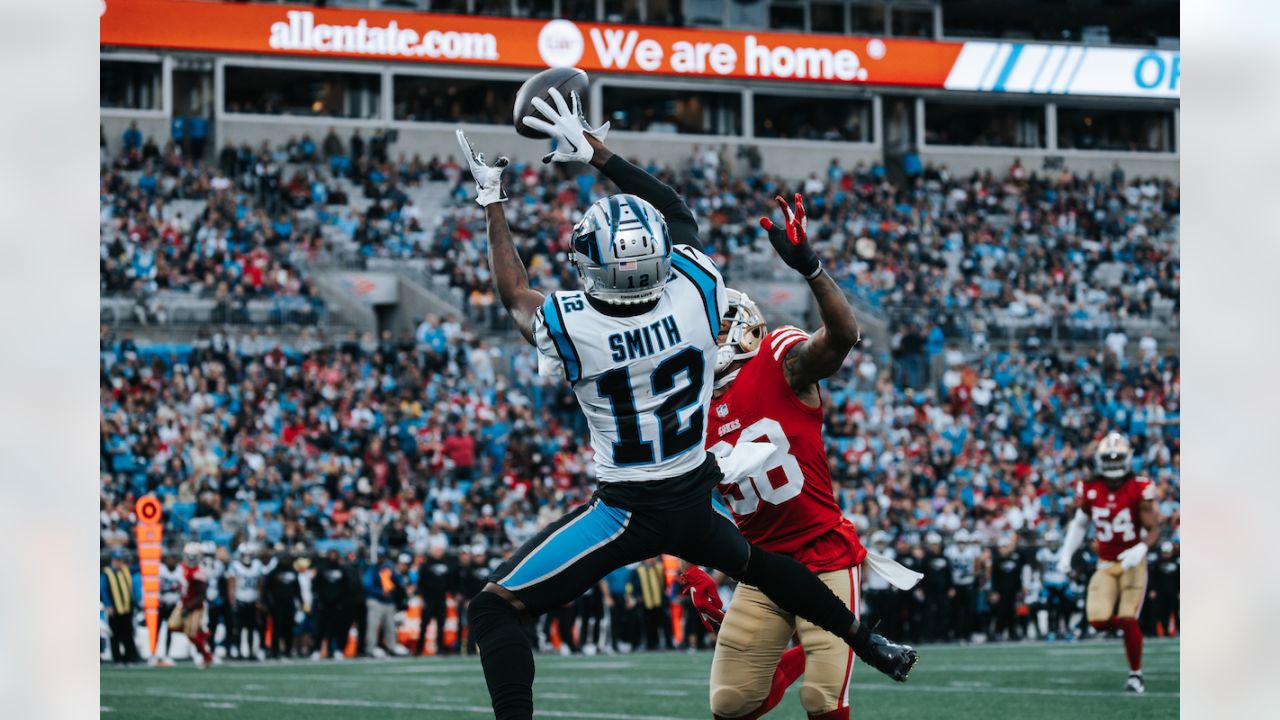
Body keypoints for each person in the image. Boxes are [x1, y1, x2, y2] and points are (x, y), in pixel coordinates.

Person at [456, 90, 915, 720]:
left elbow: (513, 292)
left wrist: (492, 198)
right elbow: (674, 208)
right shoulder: (697, 294)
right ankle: (869, 641)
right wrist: (595, 149)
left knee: (491, 607)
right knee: (768, 567)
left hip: (626, 507)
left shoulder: (572, 324)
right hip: (692, 497)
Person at [676, 194, 920, 720]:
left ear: (743, 325)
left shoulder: (778, 361)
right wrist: (701, 566)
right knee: (730, 703)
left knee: (823, 701)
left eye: (714, 328)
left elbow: (843, 338)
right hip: (760, 565)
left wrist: (809, 265)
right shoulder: (690, 408)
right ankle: (791, 658)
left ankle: (809, 662)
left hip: (824, 557)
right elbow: (685, 496)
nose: (704, 341)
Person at [1055, 432, 1161, 693]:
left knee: (1127, 616)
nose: (1113, 464)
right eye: (1109, 459)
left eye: (1118, 458)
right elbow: (1080, 523)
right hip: (1105, 562)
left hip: (1132, 563)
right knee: (1097, 620)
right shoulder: (1090, 487)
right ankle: (1131, 628)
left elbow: (1154, 528)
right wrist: (1066, 553)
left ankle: (1135, 675)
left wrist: (1140, 548)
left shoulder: (1139, 487)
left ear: (1128, 459)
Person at [171, 542, 215, 667]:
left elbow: (201, 595)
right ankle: (204, 634)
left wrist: (188, 607)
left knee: (192, 634)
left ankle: (207, 656)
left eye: (193, 556)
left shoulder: (200, 572)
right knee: (172, 625)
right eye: (189, 556)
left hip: (196, 607)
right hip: (184, 604)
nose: (190, 559)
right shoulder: (182, 568)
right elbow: (183, 584)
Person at [415, 540, 458, 656]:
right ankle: (418, 650)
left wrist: (453, 596)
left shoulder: (447, 564)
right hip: (428, 599)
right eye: (436, 550)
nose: (438, 552)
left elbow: (450, 583)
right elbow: (420, 583)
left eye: (440, 550)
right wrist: (421, 598)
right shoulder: (425, 565)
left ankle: (440, 649)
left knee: (441, 625)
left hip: (441, 599)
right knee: (424, 625)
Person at [226, 543, 266, 660]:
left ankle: (250, 652)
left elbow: (260, 584)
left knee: (251, 628)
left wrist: (259, 600)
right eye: (245, 554)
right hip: (240, 601)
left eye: (249, 554)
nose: (247, 557)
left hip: (252, 601)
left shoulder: (257, 565)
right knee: (237, 628)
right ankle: (238, 651)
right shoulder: (235, 566)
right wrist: (232, 602)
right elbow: (231, 585)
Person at [101, 550, 140, 664]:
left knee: (128, 633)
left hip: (127, 608)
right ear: (113, 560)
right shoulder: (107, 573)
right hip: (115, 609)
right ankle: (117, 658)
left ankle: (130, 657)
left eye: (121, 560)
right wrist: (108, 605)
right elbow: (103, 590)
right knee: (115, 634)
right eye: (117, 560)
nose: (119, 563)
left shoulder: (126, 570)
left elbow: (138, 568)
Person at [263, 550, 304, 659]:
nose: (286, 561)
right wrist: (269, 603)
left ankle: (288, 650)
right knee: (277, 628)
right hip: (277, 604)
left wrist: (301, 601)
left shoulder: (293, 572)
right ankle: (274, 651)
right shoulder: (274, 572)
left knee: (289, 628)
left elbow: (297, 589)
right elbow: (267, 589)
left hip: (289, 604)